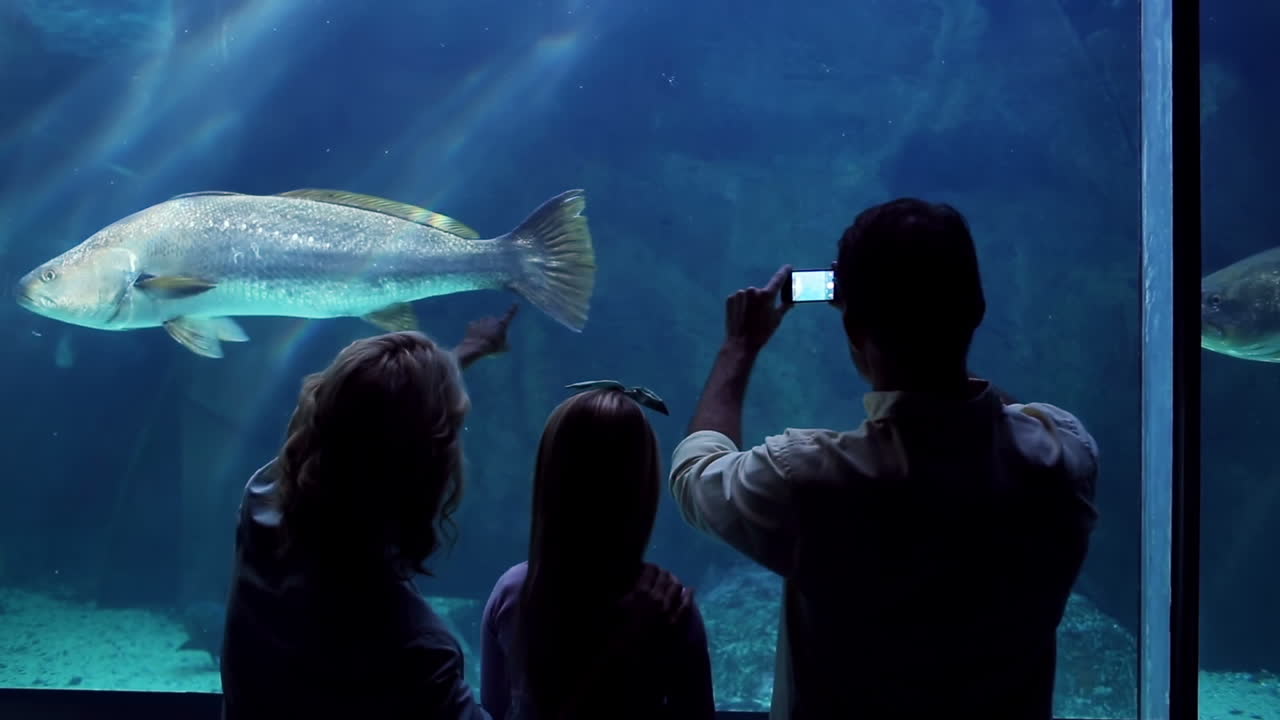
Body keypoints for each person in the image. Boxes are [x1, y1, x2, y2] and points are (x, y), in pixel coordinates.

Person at [668, 198, 1100, 719]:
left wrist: (739, 346)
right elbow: (998, 414)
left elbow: (695, 475)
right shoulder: (1063, 457)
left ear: (854, 331)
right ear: (978, 309)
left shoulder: (807, 482)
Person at [220, 307, 520, 720]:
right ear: (429, 472)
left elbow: (356, 419)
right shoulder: (414, 649)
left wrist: (465, 353)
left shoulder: (263, 505)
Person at [480, 385, 714, 720]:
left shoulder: (513, 591)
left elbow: (492, 710)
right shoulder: (667, 606)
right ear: (643, 485)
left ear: (550, 477)